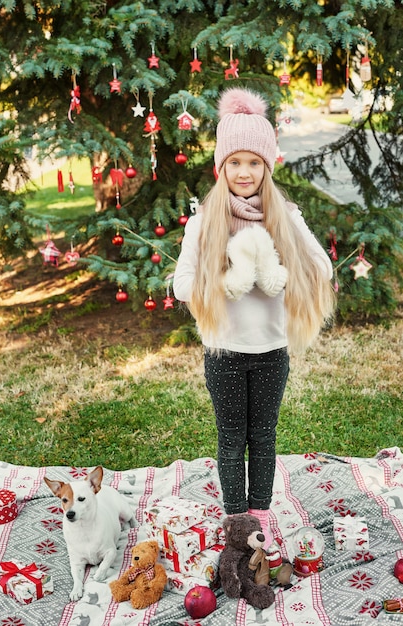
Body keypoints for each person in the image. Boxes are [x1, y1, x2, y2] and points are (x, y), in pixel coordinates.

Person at [173, 87, 335, 546]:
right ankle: (235, 520)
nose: (244, 172)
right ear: (221, 167)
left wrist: (277, 272)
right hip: (224, 350)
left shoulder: (285, 214)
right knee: (230, 438)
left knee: (263, 435)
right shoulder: (205, 221)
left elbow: (321, 269)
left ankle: (259, 517)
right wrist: (225, 278)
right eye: (235, 162)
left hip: (271, 350)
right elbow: (182, 284)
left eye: (254, 163)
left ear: (268, 166)